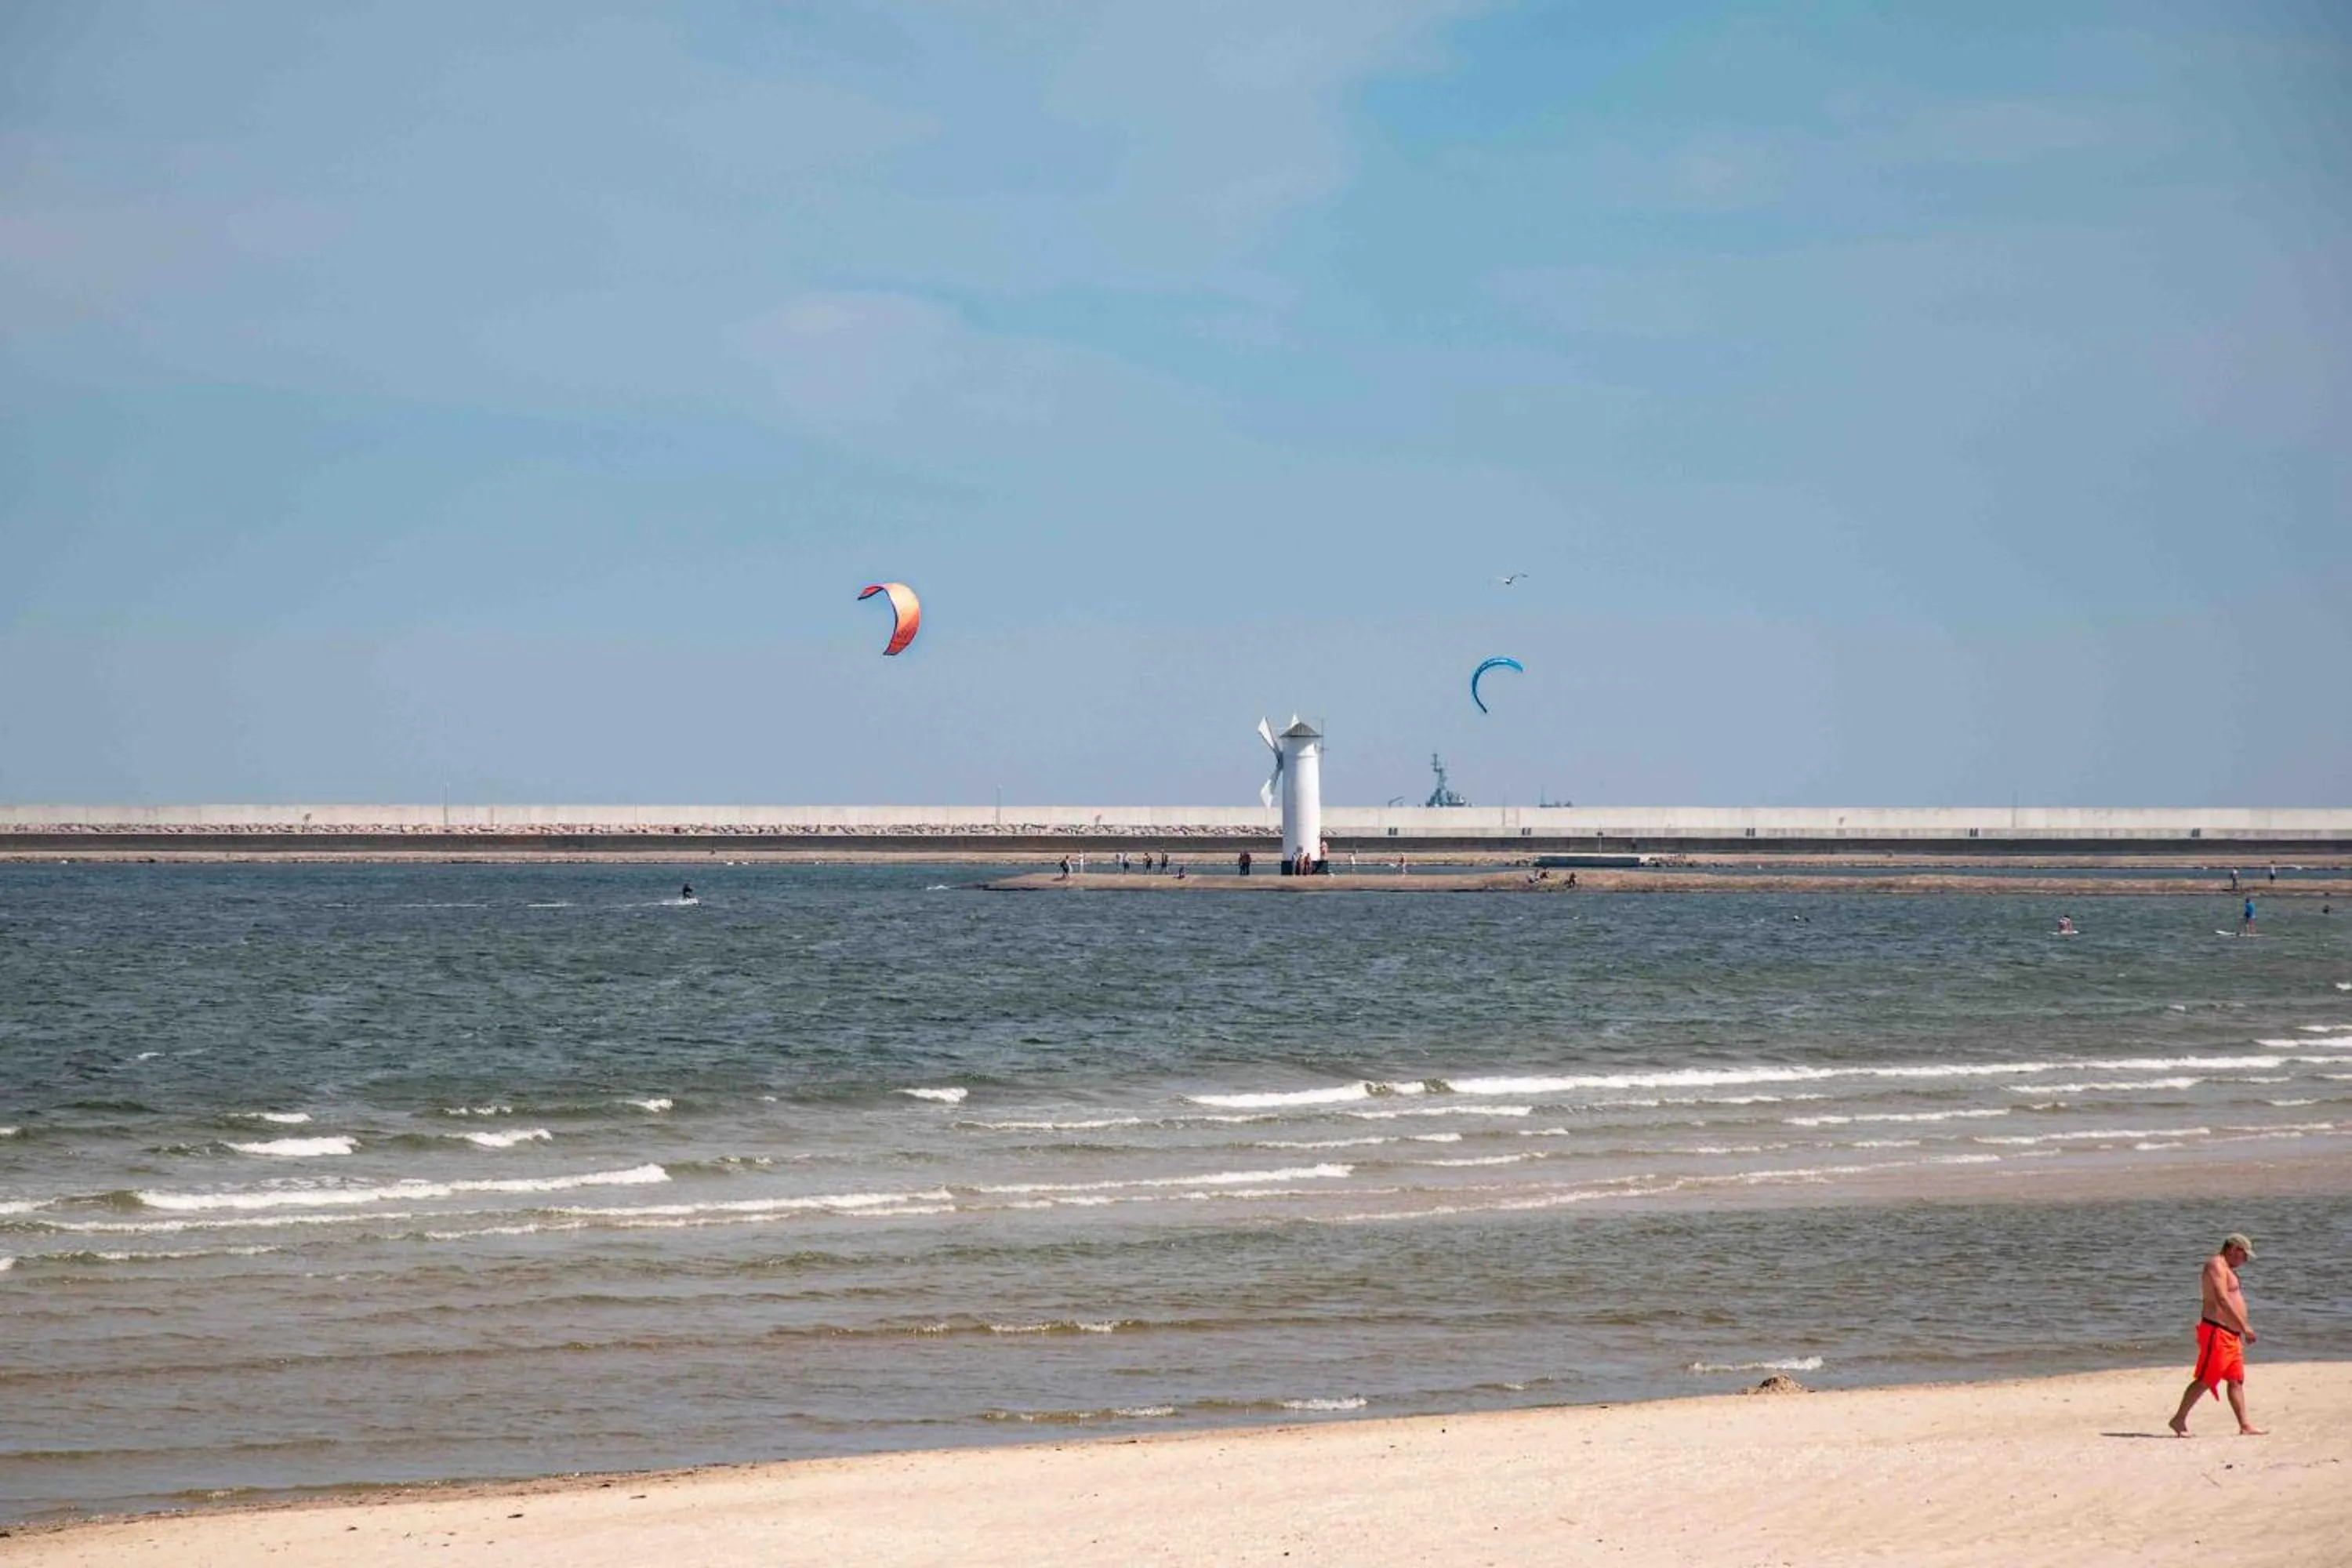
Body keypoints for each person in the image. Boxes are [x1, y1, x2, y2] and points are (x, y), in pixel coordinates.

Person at [2169, 1234, 2264, 1436]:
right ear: (2232, 1249)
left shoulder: (2228, 1269)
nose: (2245, 1260)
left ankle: (2245, 1425)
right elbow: (2221, 1298)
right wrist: (2244, 1326)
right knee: (2206, 1379)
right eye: (2243, 1255)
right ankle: (2179, 1420)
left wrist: (2239, 1328)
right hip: (2216, 1330)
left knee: (2236, 1380)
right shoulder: (2216, 1265)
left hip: (2231, 1334)